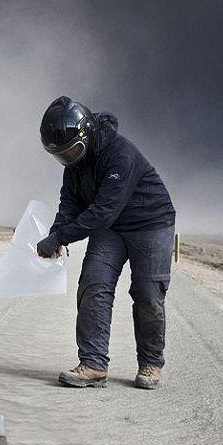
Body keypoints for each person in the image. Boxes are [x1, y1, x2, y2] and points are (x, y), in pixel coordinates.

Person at [37, 97, 176, 389]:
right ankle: (93, 364)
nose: (68, 159)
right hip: (111, 228)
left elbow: (102, 212)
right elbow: (69, 203)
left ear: (86, 133)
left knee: (148, 294)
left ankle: (150, 363)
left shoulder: (120, 154)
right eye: (61, 155)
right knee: (93, 286)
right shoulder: (75, 164)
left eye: (72, 150)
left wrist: (60, 237)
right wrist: (56, 232)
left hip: (150, 223)